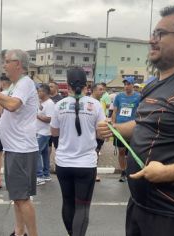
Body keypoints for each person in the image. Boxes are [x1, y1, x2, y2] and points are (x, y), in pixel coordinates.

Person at [97, 6, 174, 236]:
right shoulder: (154, 85)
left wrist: (167, 172)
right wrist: (114, 129)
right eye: (153, 34)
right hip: (141, 207)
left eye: (160, 34)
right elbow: (144, 124)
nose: (151, 40)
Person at [0, 49, 39, 236]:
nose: (3, 65)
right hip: (14, 148)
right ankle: (19, 232)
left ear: (18, 64)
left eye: (6, 61)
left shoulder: (25, 83)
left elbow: (12, 105)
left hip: (22, 149)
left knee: (22, 198)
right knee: (17, 197)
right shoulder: (14, 86)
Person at [51, 67, 105, 236]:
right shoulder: (95, 105)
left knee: (67, 202)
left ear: (67, 86)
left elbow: (54, 133)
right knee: (82, 206)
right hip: (86, 164)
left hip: (64, 163)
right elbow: (102, 133)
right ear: (86, 85)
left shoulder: (59, 105)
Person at [111, 76, 140, 182]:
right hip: (119, 128)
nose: (126, 86)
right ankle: (123, 172)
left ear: (133, 85)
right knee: (121, 151)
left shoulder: (138, 97)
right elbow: (115, 111)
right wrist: (113, 125)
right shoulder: (119, 97)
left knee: (131, 153)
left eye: (128, 84)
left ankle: (131, 172)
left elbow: (141, 111)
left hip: (132, 128)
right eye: (125, 84)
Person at [36, 83, 55, 185]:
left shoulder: (50, 103)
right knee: (44, 153)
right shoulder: (41, 102)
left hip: (44, 133)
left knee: (36, 152)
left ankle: (39, 176)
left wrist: (36, 115)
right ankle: (46, 174)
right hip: (39, 131)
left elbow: (49, 119)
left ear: (45, 92)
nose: (38, 93)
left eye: (40, 91)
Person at [90, 83, 106, 182]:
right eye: (100, 89)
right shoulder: (91, 102)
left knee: (96, 154)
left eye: (103, 90)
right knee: (93, 153)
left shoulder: (99, 102)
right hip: (92, 134)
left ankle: (93, 173)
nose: (102, 91)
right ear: (94, 90)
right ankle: (92, 174)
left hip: (99, 134)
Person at [48, 81, 63, 159]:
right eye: (49, 86)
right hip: (46, 127)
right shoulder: (46, 98)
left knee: (58, 147)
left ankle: (58, 163)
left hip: (57, 127)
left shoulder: (60, 99)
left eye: (51, 86)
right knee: (48, 146)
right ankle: (46, 164)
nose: (49, 88)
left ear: (57, 88)